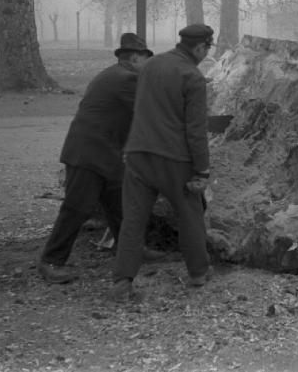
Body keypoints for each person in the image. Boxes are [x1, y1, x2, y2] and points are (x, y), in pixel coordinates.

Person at [37, 33, 157, 284]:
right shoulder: (126, 79)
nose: (148, 64)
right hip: (89, 153)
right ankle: (51, 261)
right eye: (146, 59)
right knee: (76, 208)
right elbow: (149, 111)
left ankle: (131, 251)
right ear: (134, 58)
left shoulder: (112, 75)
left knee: (120, 206)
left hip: (105, 154)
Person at [109, 24, 215, 300]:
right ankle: (198, 273)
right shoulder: (192, 76)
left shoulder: (151, 66)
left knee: (133, 219)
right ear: (201, 47)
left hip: (137, 153)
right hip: (173, 158)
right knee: (190, 215)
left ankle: (122, 280)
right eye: (207, 49)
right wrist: (202, 170)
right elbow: (196, 130)